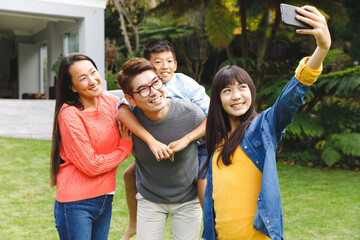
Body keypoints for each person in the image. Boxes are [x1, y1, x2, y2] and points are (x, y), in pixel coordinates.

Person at [202, 6, 331, 240]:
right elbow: (213, 205)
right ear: (218, 99)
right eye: (227, 90)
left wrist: (321, 49)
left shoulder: (262, 128)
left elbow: (291, 97)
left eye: (242, 87)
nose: (236, 96)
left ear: (251, 91)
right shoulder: (217, 144)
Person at [117, 40, 209, 239]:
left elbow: (216, 120)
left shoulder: (191, 109)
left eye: (155, 83)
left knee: (204, 176)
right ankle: (133, 223)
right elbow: (120, 112)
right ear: (131, 98)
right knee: (128, 174)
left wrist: (186, 140)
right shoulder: (131, 118)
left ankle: (211, 226)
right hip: (150, 198)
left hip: (187, 197)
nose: (153, 92)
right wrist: (150, 140)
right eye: (143, 89)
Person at [50, 53, 133, 240]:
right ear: (72, 87)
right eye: (82, 78)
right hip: (75, 204)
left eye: (93, 72)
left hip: (105, 197)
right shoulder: (69, 115)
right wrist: (124, 149)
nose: (92, 80)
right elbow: (91, 165)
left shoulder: (112, 102)